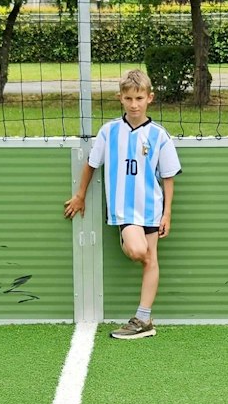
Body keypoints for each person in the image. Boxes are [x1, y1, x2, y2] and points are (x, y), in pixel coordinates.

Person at [64, 68, 181, 340]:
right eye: (129, 98)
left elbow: (168, 177)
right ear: (120, 98)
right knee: (138, 251)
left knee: (151, 258)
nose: (134, 104)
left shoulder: (159, 135)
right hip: (124, 211)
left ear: (149, 98)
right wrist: (80, 195)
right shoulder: (109, 132)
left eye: (139, 98)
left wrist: (167, 213)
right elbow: (91, 165)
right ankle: (126, 241)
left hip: (151, 207)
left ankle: (143, 319)